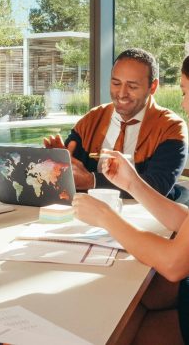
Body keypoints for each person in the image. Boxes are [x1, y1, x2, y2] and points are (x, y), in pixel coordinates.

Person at [71, 55, 189, 345]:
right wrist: (133, 184)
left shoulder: (170, 127)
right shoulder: (93, 119)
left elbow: (174, 264)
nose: (184, 104)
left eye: (186, 93)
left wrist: (105, 218)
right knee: (126, 315)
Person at [44, 48, 188, 199]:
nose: (121, 93)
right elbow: (72, 174)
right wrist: (60, 163)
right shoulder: (92, 119)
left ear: (152, 87)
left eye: (132, 86)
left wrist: (92, 181)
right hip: (90, 212)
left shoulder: (171, 127)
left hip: (145, 217)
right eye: (116, 83)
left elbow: (157, 186)